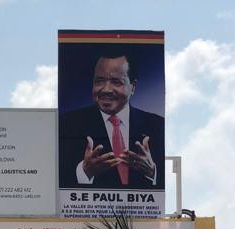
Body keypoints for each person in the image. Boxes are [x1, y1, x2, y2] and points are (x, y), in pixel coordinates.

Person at [58, 54, 164, 190]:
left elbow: (163, 184)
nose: (106, 89)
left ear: (133, 87)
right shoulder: (67, 125)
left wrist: (152, 172)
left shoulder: (157, 125)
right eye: (99, 81)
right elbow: (56, 182)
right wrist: (84, 172)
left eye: (116, 82)